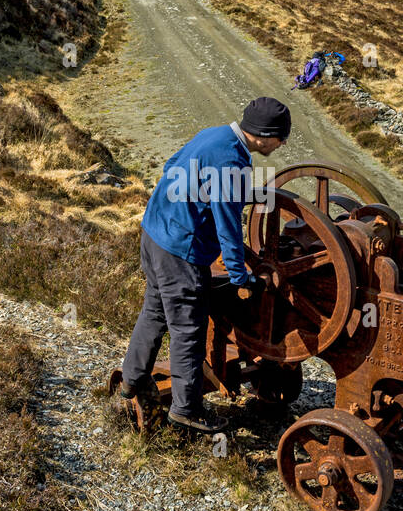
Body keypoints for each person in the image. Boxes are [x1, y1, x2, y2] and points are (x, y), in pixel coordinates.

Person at [118, 97, 291, 433]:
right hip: (180, 253)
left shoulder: (214, 136)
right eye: (281, 138)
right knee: (188, 330)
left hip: (154, 234)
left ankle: (131, 382)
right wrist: (242, 276)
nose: (282, 144)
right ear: (265, 136)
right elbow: (228, 226)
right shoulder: (233, 163)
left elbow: (172, 166)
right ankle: (186, 409)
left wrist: (234, 194)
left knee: (154, 313)